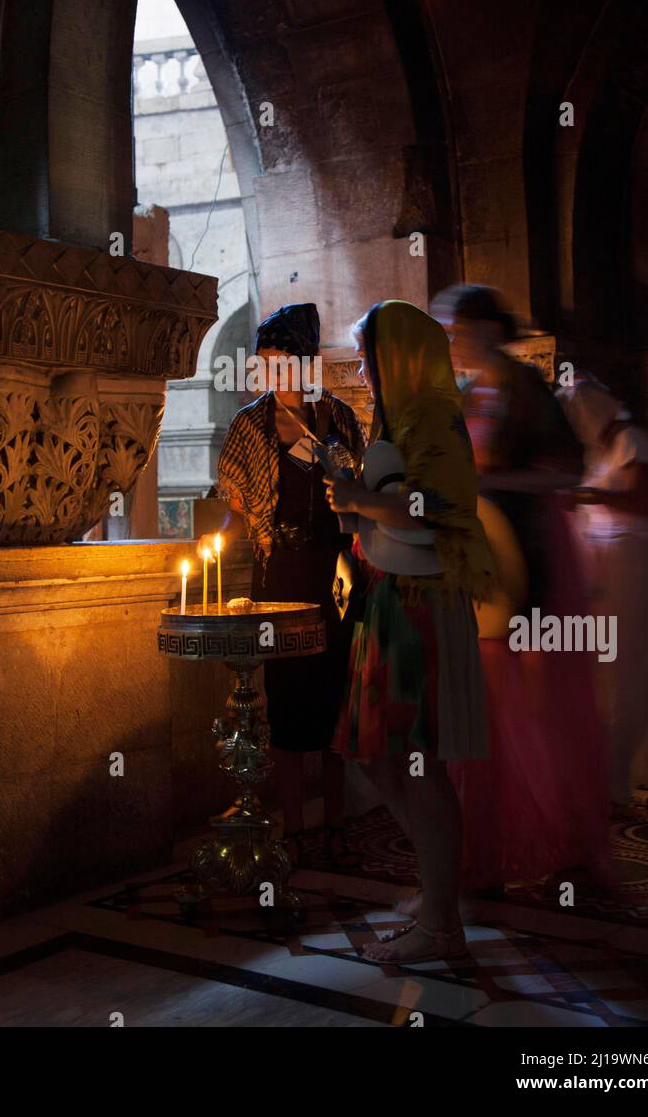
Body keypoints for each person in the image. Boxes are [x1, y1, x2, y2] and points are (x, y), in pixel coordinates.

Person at [324, 300, 493, 964]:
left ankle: (442, 923)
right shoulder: (395, 418)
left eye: (368, 356)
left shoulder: (429, 415)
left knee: (417, 761)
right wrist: (353, 517)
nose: (362, 371)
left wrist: (359, 500)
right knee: (380, 755)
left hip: (420, 603)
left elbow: (435, 510)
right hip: (389, 597)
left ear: (397, 355)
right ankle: (437, 896)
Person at [429, 284, 610, 892]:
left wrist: (499, 479)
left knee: (533, 711)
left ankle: (557, 841)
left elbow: (568, 470)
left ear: (484, 327)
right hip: (480, 561)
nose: (451, 341)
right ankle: (488, 850)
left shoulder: (525, 388)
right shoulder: (464, 392)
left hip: (526, 559)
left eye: (456, 329)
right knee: (485, 713)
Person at [214, 303, 366, 868]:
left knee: (335, 701)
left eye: (281, 364)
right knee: (288, 703)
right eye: (264, 365)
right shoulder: (249, 425)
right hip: (280, 574)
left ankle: (337, 822)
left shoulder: (340, 419)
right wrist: (212, 548)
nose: (270, 376)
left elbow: (363, 484)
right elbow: (231, 506)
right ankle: (295, 827)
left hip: (337, 575)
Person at [559, 376, 648, 808]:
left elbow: (646, 503)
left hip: (635, 577)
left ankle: (617, 783)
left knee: (636, 680)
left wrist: (588, 496)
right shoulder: (602, 452)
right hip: (615, 577)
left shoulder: (632, 441)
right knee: (634, 679)